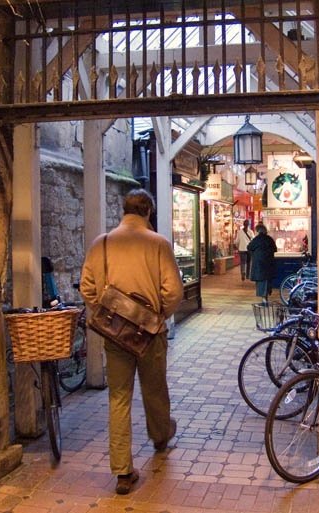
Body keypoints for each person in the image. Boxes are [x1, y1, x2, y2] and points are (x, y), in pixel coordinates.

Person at [80, 189, 184, 495]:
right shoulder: (158, 244)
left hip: (115, 335)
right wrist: (157, 316)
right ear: (148, 212)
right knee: (155, 388)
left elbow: (87, 287)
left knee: (119, 397)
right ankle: (160, 436)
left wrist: (109, 311)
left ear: (123, 210)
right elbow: (174, 292)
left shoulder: (103, 243)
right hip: (151, 335)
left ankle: (123, 472)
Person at [247, 222, 277, 302]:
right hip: (269, 263)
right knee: (267, 280)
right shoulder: (269, 239)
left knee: (261, 281)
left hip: (259, 264)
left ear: (258, 231)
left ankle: (264, 298)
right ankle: (265, 295)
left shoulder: (257, 239)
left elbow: (249, 247)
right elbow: (275, 249)